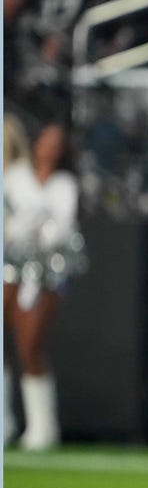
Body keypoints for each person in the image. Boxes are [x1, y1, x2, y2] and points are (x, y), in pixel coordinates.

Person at [3, 122, 82, 450]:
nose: (49, 148)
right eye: (45, 141)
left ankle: (42, 426)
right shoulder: (16, 177)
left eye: (57, 144)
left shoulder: (65, 183)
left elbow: (60, 228)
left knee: (30, 344)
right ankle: (4, 422)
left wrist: (36, 230)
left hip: (46, 270)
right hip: (8, 263)